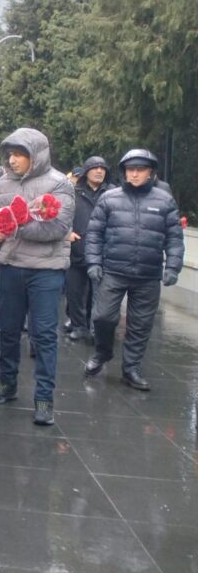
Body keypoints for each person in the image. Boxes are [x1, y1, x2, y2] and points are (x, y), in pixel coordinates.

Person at [0, 128, 74, 426]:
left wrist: (12, 225)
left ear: (36, 155)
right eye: (10, 154)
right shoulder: (3, 183)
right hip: (11, 266)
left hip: (46, 270)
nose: (13, 160)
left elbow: (57, 228)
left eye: (19, 154)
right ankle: (7, 385)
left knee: (44, 335)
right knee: (8, 330)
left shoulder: (59, 183)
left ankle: (44, 399)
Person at [84, 149, 184, 391]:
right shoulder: (109, 198)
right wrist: (94, 262)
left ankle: (131, 369)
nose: (135, 174)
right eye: (131, 169)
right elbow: (94, 233)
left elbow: (174, 238)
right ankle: (103, 352)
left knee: (140, 325)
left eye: (140, 169)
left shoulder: (165, 201)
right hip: (113, 271)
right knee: (102, 317)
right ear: (124, 172)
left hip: (147, 275)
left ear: (151, 172)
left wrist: (173, 266)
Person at [65, 156, 110, 341]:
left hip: (102, 254)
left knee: (98, 295)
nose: (99, 171)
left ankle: (94, 328)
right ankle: (78, 326)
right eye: (95, 167)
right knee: (74, 293)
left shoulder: (112, 193)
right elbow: (63, 216)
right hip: (77, 250)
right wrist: (67, 232)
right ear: (86, 171)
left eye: (102, 168)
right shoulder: (73, 192)